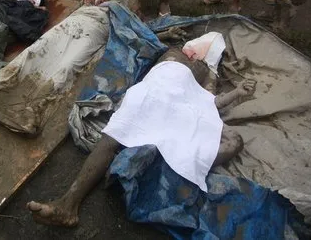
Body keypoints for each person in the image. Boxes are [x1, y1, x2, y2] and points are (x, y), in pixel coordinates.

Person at [26, 45, 256, 227]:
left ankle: (166, 163)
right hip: (149, 94)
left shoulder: (207, 71)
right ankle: (68, 204)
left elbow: (209, 102)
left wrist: (236, 93)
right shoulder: (170, 51)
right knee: (113, 136)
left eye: (206, 49)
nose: (198, 49)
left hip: (181, 105)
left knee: (234, 141)